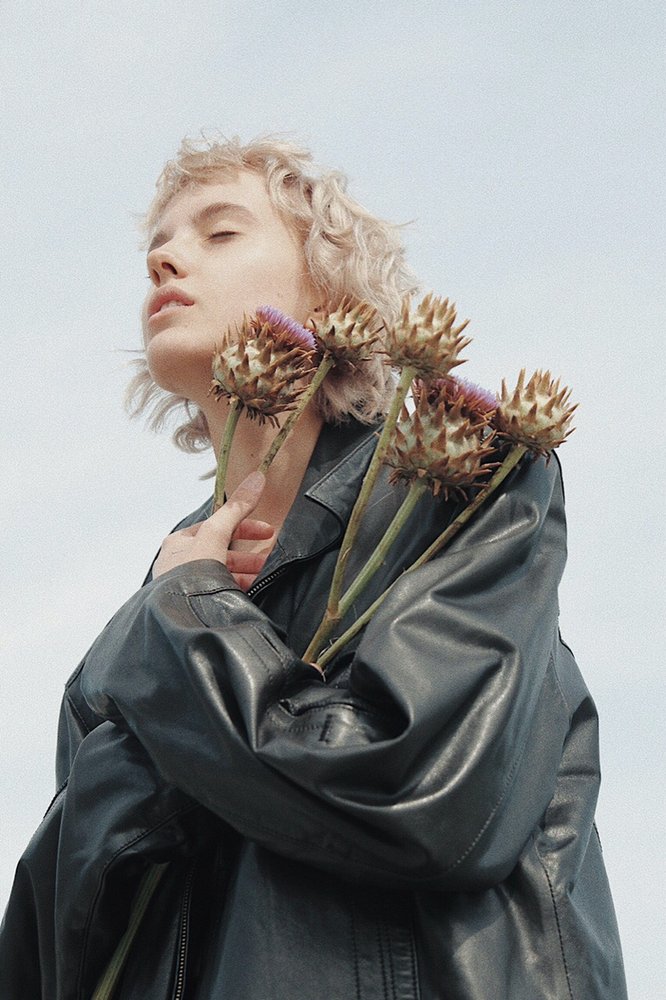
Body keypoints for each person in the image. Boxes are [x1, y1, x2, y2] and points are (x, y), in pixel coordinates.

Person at [0, 136, 627, 999]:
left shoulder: (465, 492)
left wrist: (190, 621)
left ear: (331, 293)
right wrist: (186, 606)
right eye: (159, 242)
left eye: (220, 234)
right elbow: (54, 944)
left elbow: (419, 799)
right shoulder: (145, 615)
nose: (163, 256)